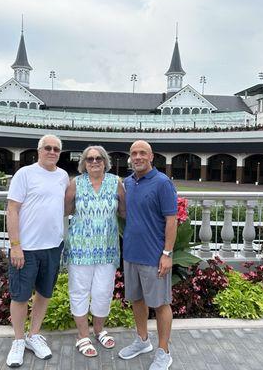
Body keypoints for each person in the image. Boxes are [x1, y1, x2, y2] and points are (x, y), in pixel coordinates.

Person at [5, 134, 70, 368]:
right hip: (26, 249)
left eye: (56, 149)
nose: (52, 152)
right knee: (20, 296)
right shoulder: (25, 174)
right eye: (47, 148)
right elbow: (12, 210)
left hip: (53, 247)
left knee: (44, 293)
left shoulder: (63, 176)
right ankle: (19, 340)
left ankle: (34, 335)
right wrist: (15, 245)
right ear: (39, 150)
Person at [118, 140, 177, 370]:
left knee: (161, 304)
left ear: (151, 157)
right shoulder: (128, 183)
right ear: (130, 158)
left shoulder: (163, 183)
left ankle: (164, 352)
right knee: (137, 299)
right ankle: (143, 341)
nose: (138, 157)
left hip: (155, 256)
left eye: (143, 153)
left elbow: (172, 221)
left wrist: (167, 254)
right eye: (134, 153)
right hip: (131, 253)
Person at [63, 146, 126, 357]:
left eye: (99, 158)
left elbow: (125, 211)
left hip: (107, 249)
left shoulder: (116, 183)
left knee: (103, 292)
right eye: (90, 159)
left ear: (105, 161)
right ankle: (83, 336)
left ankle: (99, 330)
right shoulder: (75, 183)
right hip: (80, 248)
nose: (94, 161)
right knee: (79, 291)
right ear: (84, 163)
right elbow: (65, 210)